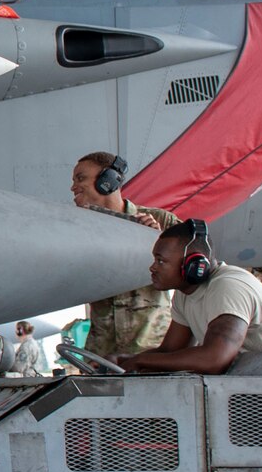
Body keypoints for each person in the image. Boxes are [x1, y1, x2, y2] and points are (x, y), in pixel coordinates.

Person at [116, 221, 262, 374]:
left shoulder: (228, 286)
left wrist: (141, 362)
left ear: (194, 264)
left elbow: (215, 358)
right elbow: (170, 351)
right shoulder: (184, 296)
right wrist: (122, 361)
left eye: (161, 261)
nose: (153, 267)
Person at [69, 152, 180, 360]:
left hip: (151, 353)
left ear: (108, 181)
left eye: (81, 178)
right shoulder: (79, 231)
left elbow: (196, 270)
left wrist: (159, 241)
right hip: (100, 356)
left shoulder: (162, 221)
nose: (73, 187)